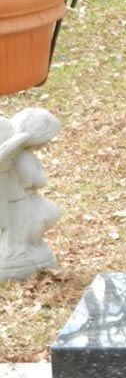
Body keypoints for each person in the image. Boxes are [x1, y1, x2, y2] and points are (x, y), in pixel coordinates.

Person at [0, 108, 62, 280]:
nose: (45, 145)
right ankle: (16, 256)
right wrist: (40, 176)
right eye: (45, 141)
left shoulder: (19, 154)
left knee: (35, 221)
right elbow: (32, 180)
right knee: (28, 225)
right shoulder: (21, 157)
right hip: (19, 201)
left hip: (22, 200)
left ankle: (26, 248)